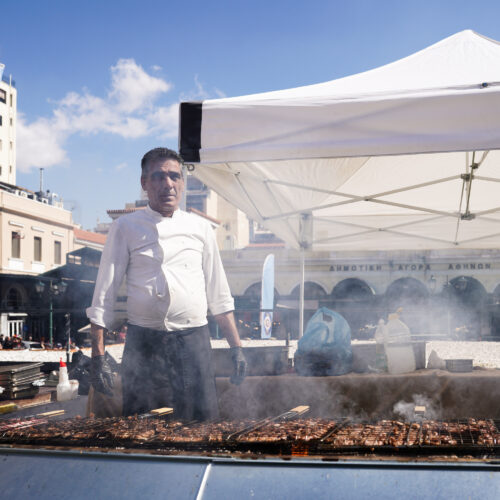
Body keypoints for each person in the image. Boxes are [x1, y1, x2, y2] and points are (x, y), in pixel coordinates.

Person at [86, 147, 247, 420]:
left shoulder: (201, 229)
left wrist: (237, 348)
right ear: (144, 183)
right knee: (143, 431)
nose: (168, 184)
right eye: (159, 176)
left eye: (174, 176)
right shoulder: (125, 227)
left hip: (194, 343)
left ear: (182, 183)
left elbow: (219, 295)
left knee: (200, 426)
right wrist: (98, 355)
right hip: (144, 345)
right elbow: (104, 293)